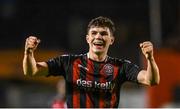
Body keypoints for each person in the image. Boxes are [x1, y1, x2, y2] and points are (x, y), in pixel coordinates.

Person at [23, 16, 160, 108]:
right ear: (88, 39)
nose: (98, 36)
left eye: (103, 33)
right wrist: (28, 53)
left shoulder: (121, 66)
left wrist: (150, 59)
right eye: (94, 33)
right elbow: (32, 71)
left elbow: (151, 80)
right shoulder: (69, 62)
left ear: (111, 40)